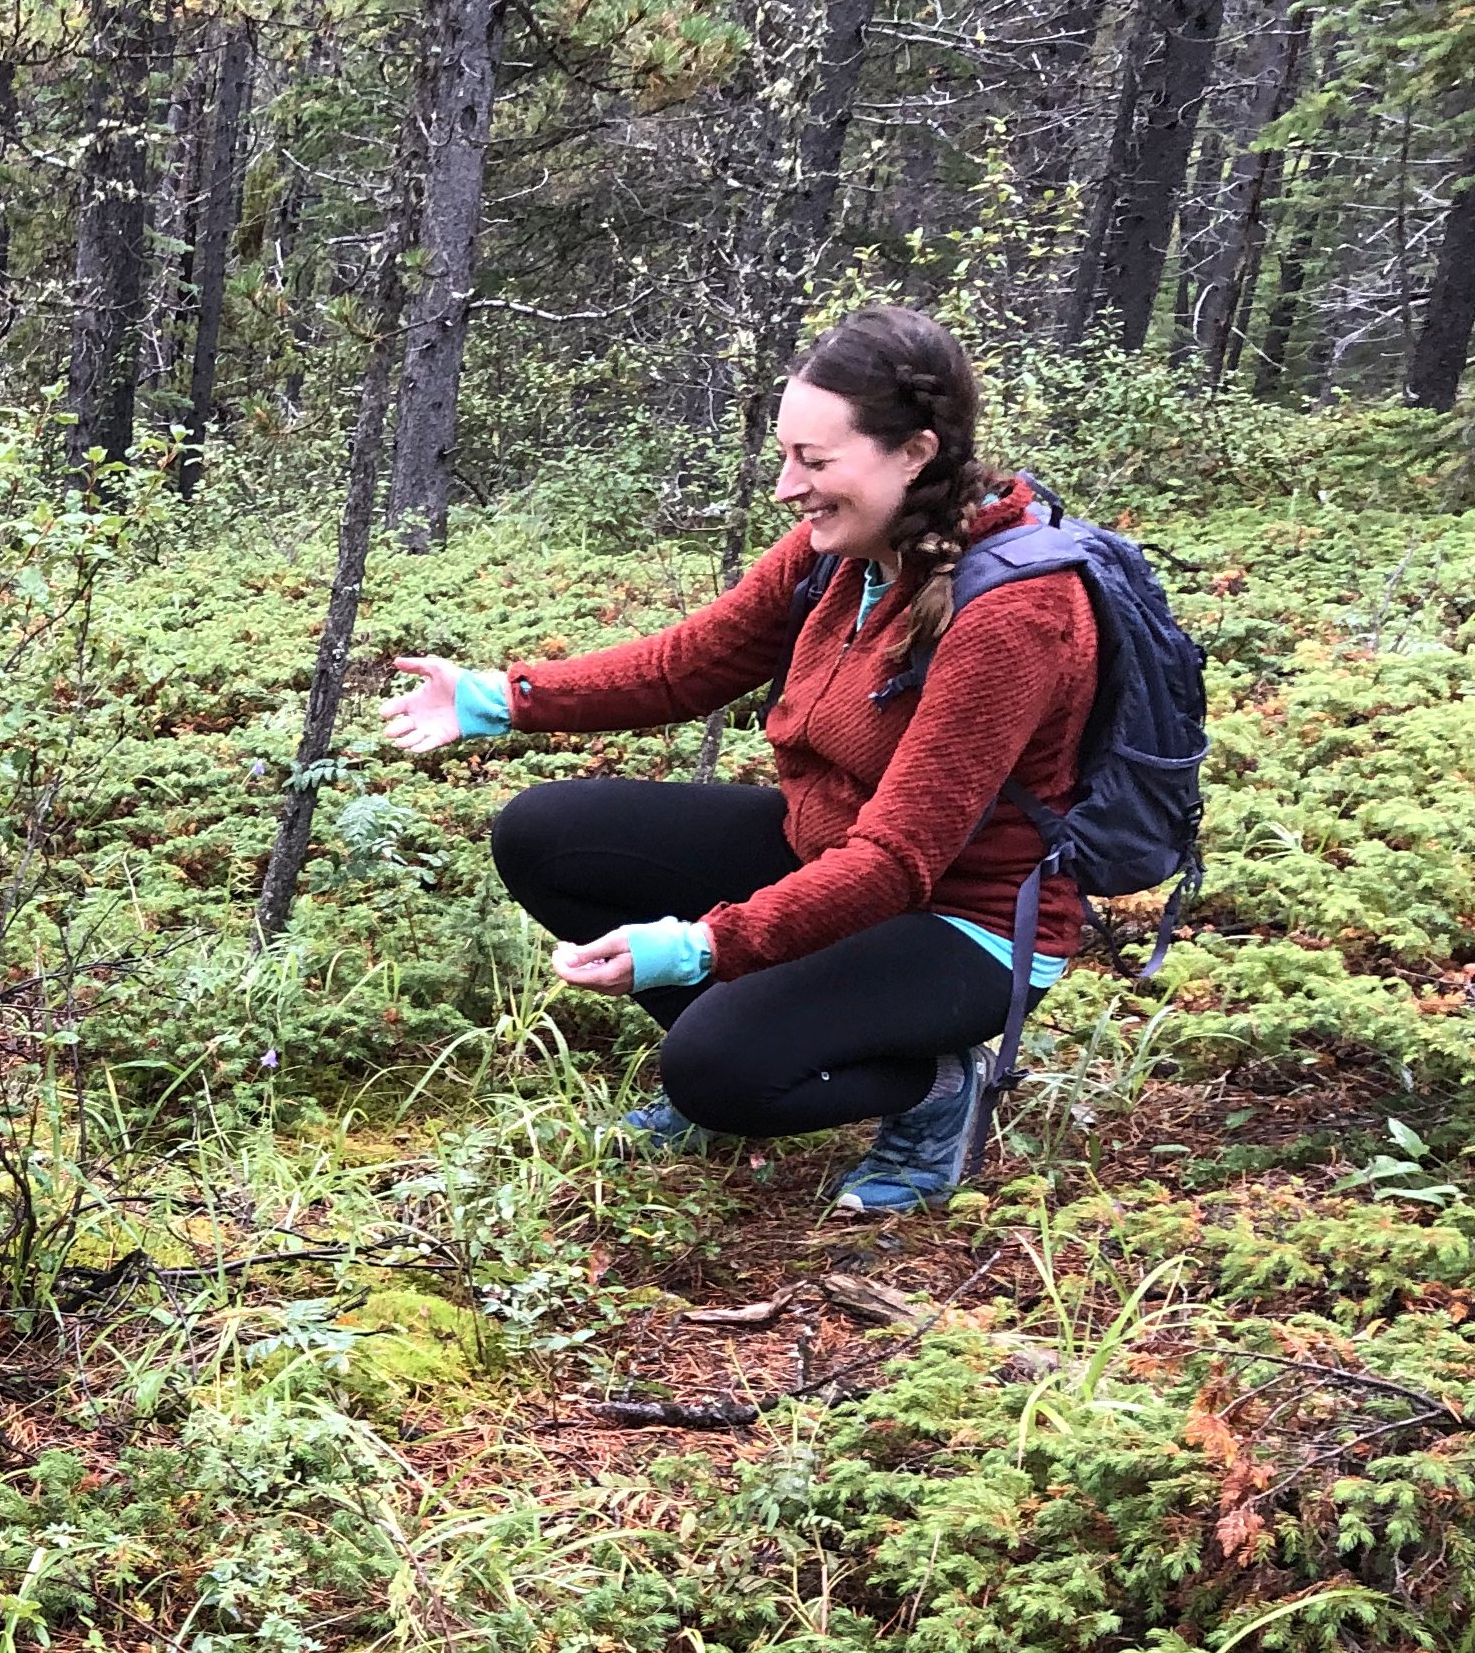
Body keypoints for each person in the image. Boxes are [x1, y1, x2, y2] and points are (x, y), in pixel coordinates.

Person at [380, 304, 1093, 1217]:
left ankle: (935, 1092)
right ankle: (774, 1028)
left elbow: (896, 862)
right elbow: (688, 666)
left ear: (914, 452)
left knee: (713, 1070)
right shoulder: (844, 547)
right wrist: (496, 698)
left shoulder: (1016, 615)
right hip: (827, 853)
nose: (789, 487)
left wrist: (699, 945)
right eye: (787, 456)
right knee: (546, 836)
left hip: (962, 920)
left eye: (816, 461)